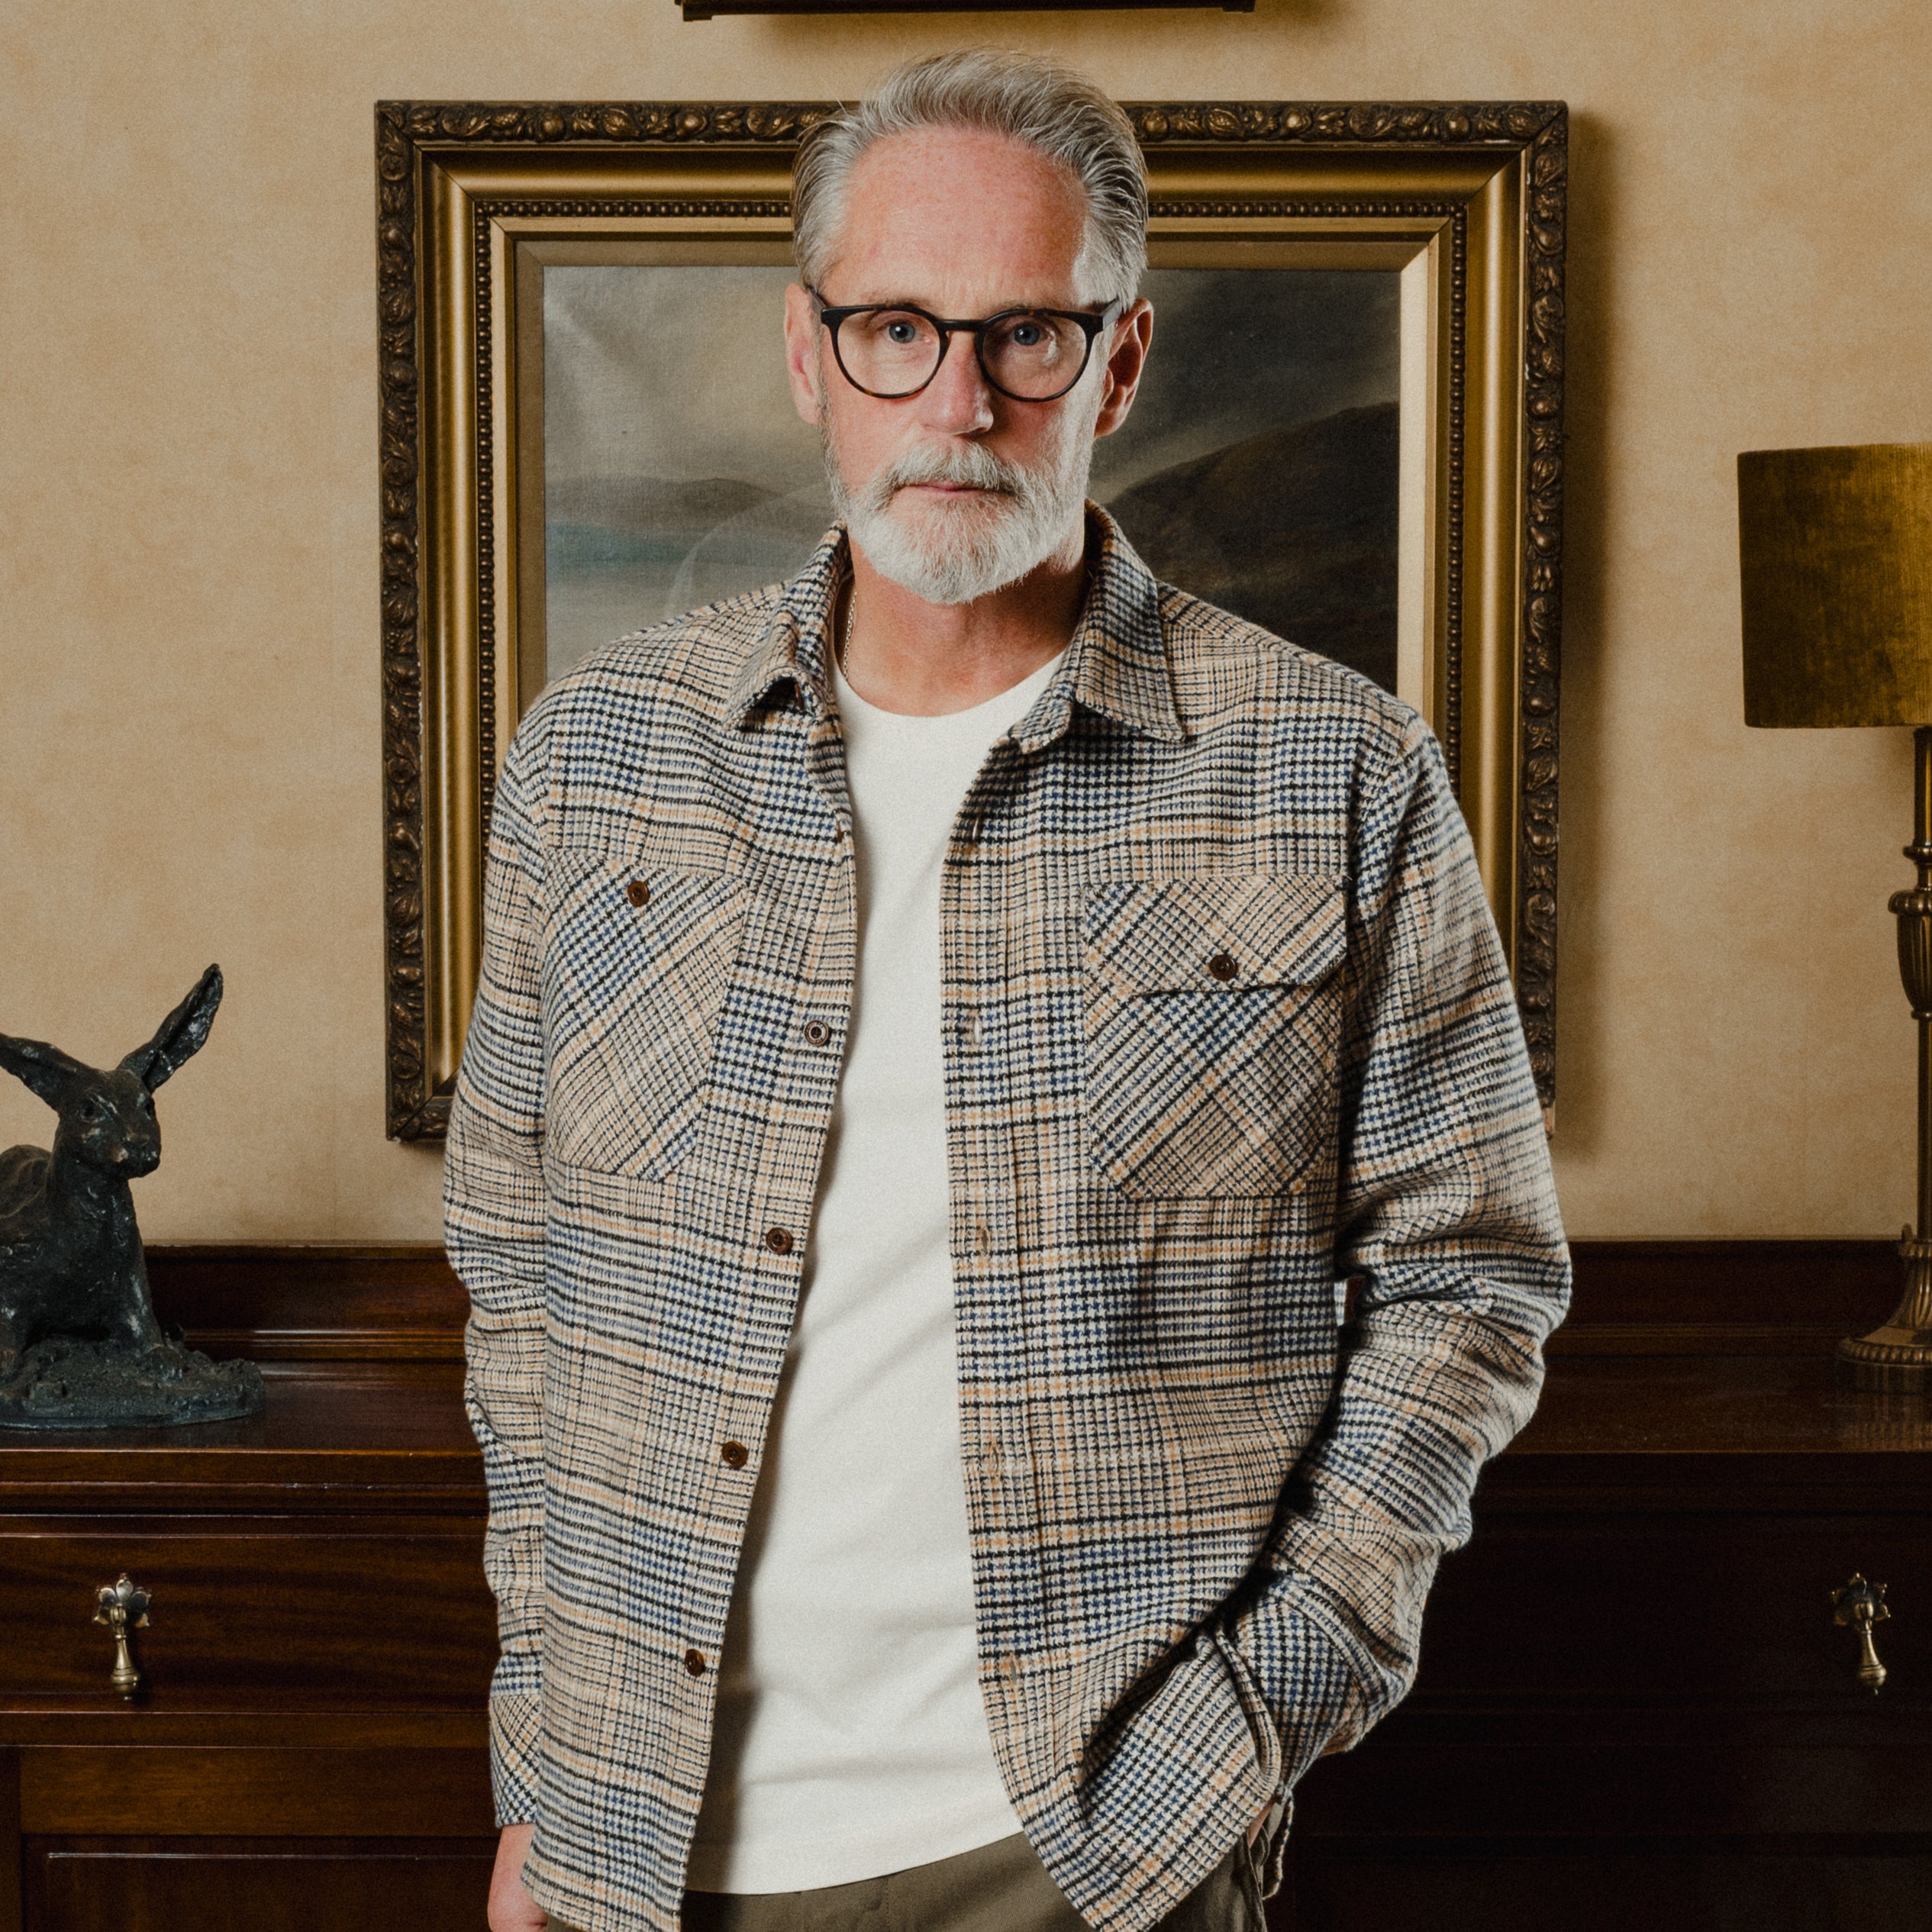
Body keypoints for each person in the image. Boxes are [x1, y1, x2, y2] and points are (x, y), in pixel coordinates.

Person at [449, 47, 1569, 1932]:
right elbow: (518, 1272)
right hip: (645, 1845)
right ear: (809, 356)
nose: (956, 402)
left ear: (1117, 365)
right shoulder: (599, 761)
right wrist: (553, 1767)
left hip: (1090, 1849)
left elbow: (1475, 1275)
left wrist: (1243, 1726)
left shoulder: (1339, 770)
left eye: (1026, 337)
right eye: (895, 328)